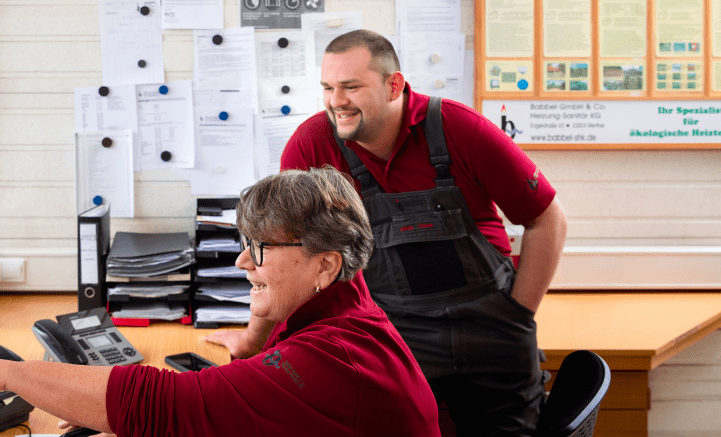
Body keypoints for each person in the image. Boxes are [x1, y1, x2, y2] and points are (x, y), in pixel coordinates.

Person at [206, 30, 568, 437]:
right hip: (396, 335)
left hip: (492, 330)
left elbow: (547, 219)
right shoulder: (313, 146)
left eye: (351, 87)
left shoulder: (459, 128)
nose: (336, 101)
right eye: (328, 88)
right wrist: (255, 340)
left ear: (394, 84)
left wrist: (517, 313)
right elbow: (281, 257)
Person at [0, 167, 440, 437]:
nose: (240, 263)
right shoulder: (342, 305)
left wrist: (7, 375)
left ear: (324, 263)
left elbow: (165, 406)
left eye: (259, 248)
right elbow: (259, 405)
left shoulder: (334, 357)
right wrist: (261, 316)